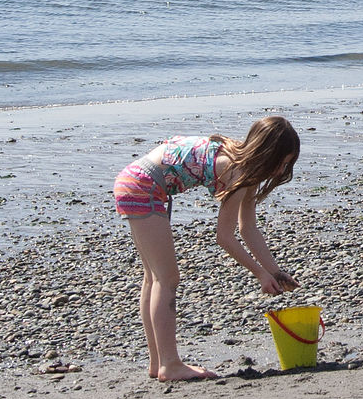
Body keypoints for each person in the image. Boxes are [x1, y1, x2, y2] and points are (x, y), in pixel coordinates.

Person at [113, 116, 301, 381]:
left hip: (136, 181)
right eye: (281, 162)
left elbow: (248, 228)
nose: (282, 171)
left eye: (287, 164)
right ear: (266, 153)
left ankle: (158, 363)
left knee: (154, 278)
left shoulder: (244, 165)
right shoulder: (237, 170)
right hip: (143, 185)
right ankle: (170, 364)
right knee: (167, 278)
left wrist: (275, 272)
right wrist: (260, 274)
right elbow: (224, 237)